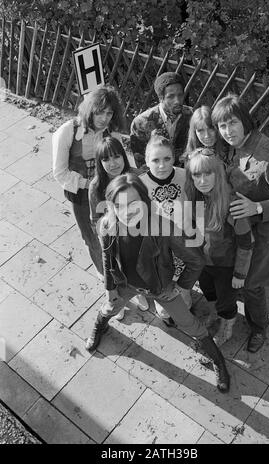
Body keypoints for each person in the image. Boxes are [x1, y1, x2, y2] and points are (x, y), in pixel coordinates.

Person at [85, 173, 231, 393]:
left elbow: (195, 259)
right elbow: (107, 259)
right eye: (119, 205)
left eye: (134, 203)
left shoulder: (163, 226)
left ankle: (218, 362)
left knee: (190, 323)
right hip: (126, 285)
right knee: (109, 308)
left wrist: (182, 286)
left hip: (162, 289)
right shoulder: (107, 224)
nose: (127, 211)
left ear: (145, 201)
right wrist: (110, 288)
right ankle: (100, 326)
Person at [211, 93, 269, 352]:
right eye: (222, 126)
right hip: (240, 232)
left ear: (245, 121)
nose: (227, 131)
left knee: (252, 287)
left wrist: (257, 207)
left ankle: (259, 327)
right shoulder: (237, 146)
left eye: (232, 123)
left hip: (263, 236)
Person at [52, 85, 124, 279]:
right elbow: (60, 173)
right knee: (92, 237)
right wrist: (89, 184)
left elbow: (120, 161)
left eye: (109, 113)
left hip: (109, 191)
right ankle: (109, 281)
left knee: (116, 234)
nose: (104, 118)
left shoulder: (112, 132)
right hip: (82, 195)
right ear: (89, 109)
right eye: (100, 112)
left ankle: (124, 276)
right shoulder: (68, 131)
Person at [185, 147, 254, 346]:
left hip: (226, 266)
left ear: (218, 173)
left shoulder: (232, 205)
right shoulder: (194, 198)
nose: (203, 180)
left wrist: (240, 274)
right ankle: (215, 313)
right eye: (197, 175)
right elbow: (192, 231)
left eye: (208, 173)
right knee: (210, 293)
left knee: (226, 301)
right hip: (203, 263)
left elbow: (246, 242)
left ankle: (227, 326)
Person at [88, 135, 149, 319]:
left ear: (124, 155)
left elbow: (149, 205)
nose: (112, 163)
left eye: (116, 156)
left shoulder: (137, 176)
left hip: (138, 234)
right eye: (105, 159)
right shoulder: (96, 186)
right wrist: (106, 232)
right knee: (116, 269)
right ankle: (116, 300)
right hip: (113, 238)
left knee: (137, 266)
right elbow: (95, 219)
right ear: (99, 162)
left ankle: (139, 292)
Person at [139, 132, 188, 327]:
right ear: (146, 161)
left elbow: (195, 206)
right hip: (158, 243)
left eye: (167, 159)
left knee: (183, 277)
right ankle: (165, 311)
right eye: (156, 160)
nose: (162, 165)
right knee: (163, 280)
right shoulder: (141, 183)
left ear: (174, 158)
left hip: (182, 237)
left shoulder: (184, 176)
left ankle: (185, 303)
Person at [130, 72, 192, 169]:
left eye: (180, 95)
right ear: (160, 98)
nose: (177, 101)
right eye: (171, 96)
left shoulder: (191, 116)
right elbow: (141, 163)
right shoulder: (141, 123)